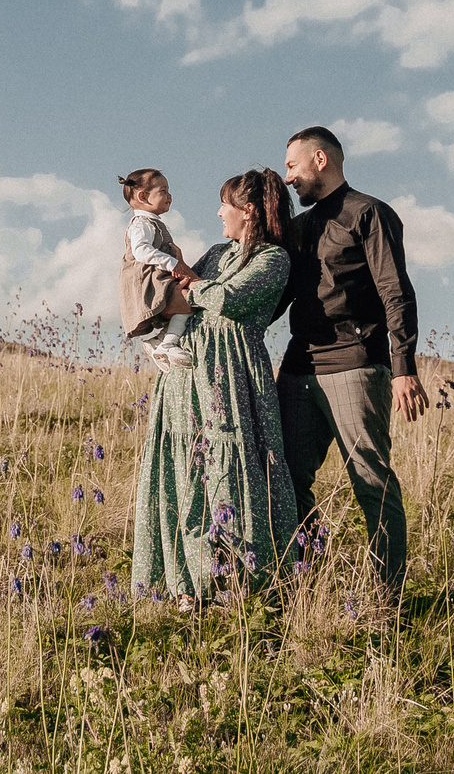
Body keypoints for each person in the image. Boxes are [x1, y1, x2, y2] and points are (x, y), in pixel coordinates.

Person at [130, 168, 300, 602]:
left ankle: (237, 585)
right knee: (184, 471)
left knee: (230, 471)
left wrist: (194, 286)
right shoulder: (217, 254)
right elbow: (178, 287)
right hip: (186, 376)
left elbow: (228, 298)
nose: (219, 212)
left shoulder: (273, 259)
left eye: (226, 205)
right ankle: (182, 585)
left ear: (248, 211)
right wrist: (184, 282)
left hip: (231, 376)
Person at [274, 124, 425, 607]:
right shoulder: (298, 228)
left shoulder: (369, 213)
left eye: (293, 165)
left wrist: (403, 367)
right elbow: (277, 297)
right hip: (298, 369)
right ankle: (307, 582)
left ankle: (386, 600)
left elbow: (395, 291)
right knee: (286, 480)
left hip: (355, 366)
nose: (288, 177)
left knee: (370, 482)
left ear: (320, 159)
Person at [116, 168, 197, 370]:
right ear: (143, 196)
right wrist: (172, 263)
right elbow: (141, 251)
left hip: (159, 278)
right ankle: (168, 343)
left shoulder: (153, 223)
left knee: (188, 302)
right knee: (189, 300)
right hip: (149, 281)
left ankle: (161, 341)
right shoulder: (141, 224)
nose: (169, 196)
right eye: (163, 191)